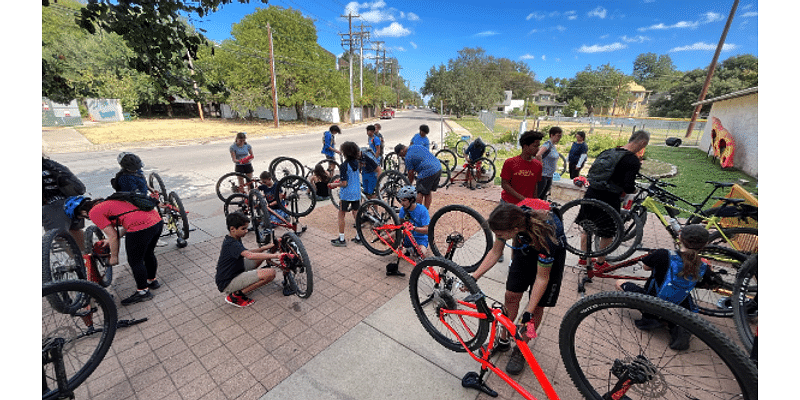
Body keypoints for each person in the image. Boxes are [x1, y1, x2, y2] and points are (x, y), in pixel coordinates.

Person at [470, 199, 566, 375]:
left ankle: (522, 347)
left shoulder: (548, 234)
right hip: (525, 248)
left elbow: (542, 278)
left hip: (548, 256)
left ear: (513, 230)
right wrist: (474, 276)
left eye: (500, 234)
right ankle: (503, 340)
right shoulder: (510, 219)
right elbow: (495, 252)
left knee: (536, 308)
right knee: (511, 295)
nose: (498, 236)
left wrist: (527, 311)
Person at [615, 224, 715, 350]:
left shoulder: (663, 254)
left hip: (651, 301)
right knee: (684, 303)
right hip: (677, 306)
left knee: (620, 282)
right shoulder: (704, 267)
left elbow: (646, 267)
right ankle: (675, 325)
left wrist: (650, 255)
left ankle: (653, 318)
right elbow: (706, 284)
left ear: (679, 238)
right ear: (705, 244)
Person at [68, 195, 165, 305]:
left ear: (82, 212)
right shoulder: (107, 202)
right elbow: (129, 220)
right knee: (148, 253)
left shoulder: (93, 212)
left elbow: (113, 235)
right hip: (156, 221)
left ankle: (143, 292)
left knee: (135, 261)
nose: (87, 218)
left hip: (141, 227)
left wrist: (114, 257)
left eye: (82, 217)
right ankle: (152, 281)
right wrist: (110, 239)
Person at [578, 130, 650, 268]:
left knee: (587, 227)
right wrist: (635, 190)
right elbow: (628, 187)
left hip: (591, 193)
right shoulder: (632, 160)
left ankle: (583, 258)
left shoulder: (609, 151)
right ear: (643, 143)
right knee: (607, 231)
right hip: (609, 199)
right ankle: (600, 263)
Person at [215, 212, 295, 308]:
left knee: (260, 257)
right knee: (271, 273)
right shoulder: (231, 243)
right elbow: (249, 255)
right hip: (228, 282)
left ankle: (247, 282)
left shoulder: (233, 238)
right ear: (232, 229)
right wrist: (277, 256)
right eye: (243, 229)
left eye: (246, 228)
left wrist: (266, 247)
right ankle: (236, 296)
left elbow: (247, 252)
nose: (246, 231)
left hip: (234, 271)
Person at [43, 156, 87, 251]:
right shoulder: (51, 164)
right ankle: (89, 259)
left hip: (53, 207)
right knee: (75, 230)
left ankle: (78, 261)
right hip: (71, 203)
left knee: (60, 237)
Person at [385, 185, 431, 277]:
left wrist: (414, 228)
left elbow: (427, 230)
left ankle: (412, 251)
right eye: (401, 200)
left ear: (412, 200)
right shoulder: (403, 209)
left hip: (420, 239)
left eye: (404, 200)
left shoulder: (422, 210)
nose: (401, 203)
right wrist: (391, 230)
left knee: (421, 256)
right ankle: (407, 248)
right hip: (407, 237)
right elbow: (399, 224)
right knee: (385, 240)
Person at [328, 141, 361, 247]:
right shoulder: (357, 163)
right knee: (356, 214)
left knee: (341, 214)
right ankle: (359, 237)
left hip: (346, 194)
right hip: (356, 192)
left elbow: (344, 183)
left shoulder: (343, 166)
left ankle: (341, 238)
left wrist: (334, 184)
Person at [394, 143, 441, 210]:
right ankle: (425, 211)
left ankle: (417, 212)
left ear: (402, 150)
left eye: (400, 155)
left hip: (428, 171)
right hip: (438, 167)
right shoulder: (417, 146)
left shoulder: (408, 157)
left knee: (420, 192)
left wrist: (409, 184)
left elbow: (411, 173)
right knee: (428, 191)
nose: (402, 157)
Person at [536, 126, 563, 200]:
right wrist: (541, 164)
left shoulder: (553, 146)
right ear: (552, 135)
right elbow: (538, 154)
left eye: (560, 136)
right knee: (538, 196)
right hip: (543, 175)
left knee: (543, 196)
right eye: (558, 136)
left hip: (549, 175)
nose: (559, 138)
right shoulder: (547, 144)